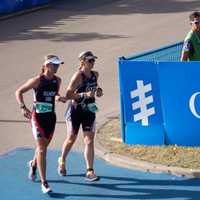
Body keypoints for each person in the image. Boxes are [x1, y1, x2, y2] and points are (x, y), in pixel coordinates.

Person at [15, 55, 66, 194]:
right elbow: (18, 91)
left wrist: (59, 98)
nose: (57, 67)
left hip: (50, 117)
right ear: (47, 65)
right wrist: (22, 107)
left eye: (58, 65)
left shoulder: (58, 80)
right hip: (37, 117)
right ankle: (44, 182)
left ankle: (33, 163)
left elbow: (54, 95)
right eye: (54, 64)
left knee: (42, 147)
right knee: (42, 149)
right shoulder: (37, 80)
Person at [58, 51, 103, 181]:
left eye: (94, 60)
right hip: (75, 111)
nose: (93, 63)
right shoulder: (78, 76)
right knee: (71, 138)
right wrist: (84, 95)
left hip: (89, 110)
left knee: (89, 140)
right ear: (83, 61)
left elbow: (95, 88)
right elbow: (68, 95)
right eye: (90, 61)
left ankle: (90, 170)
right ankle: (62, 159)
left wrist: (99, 91)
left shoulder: (95, 74)